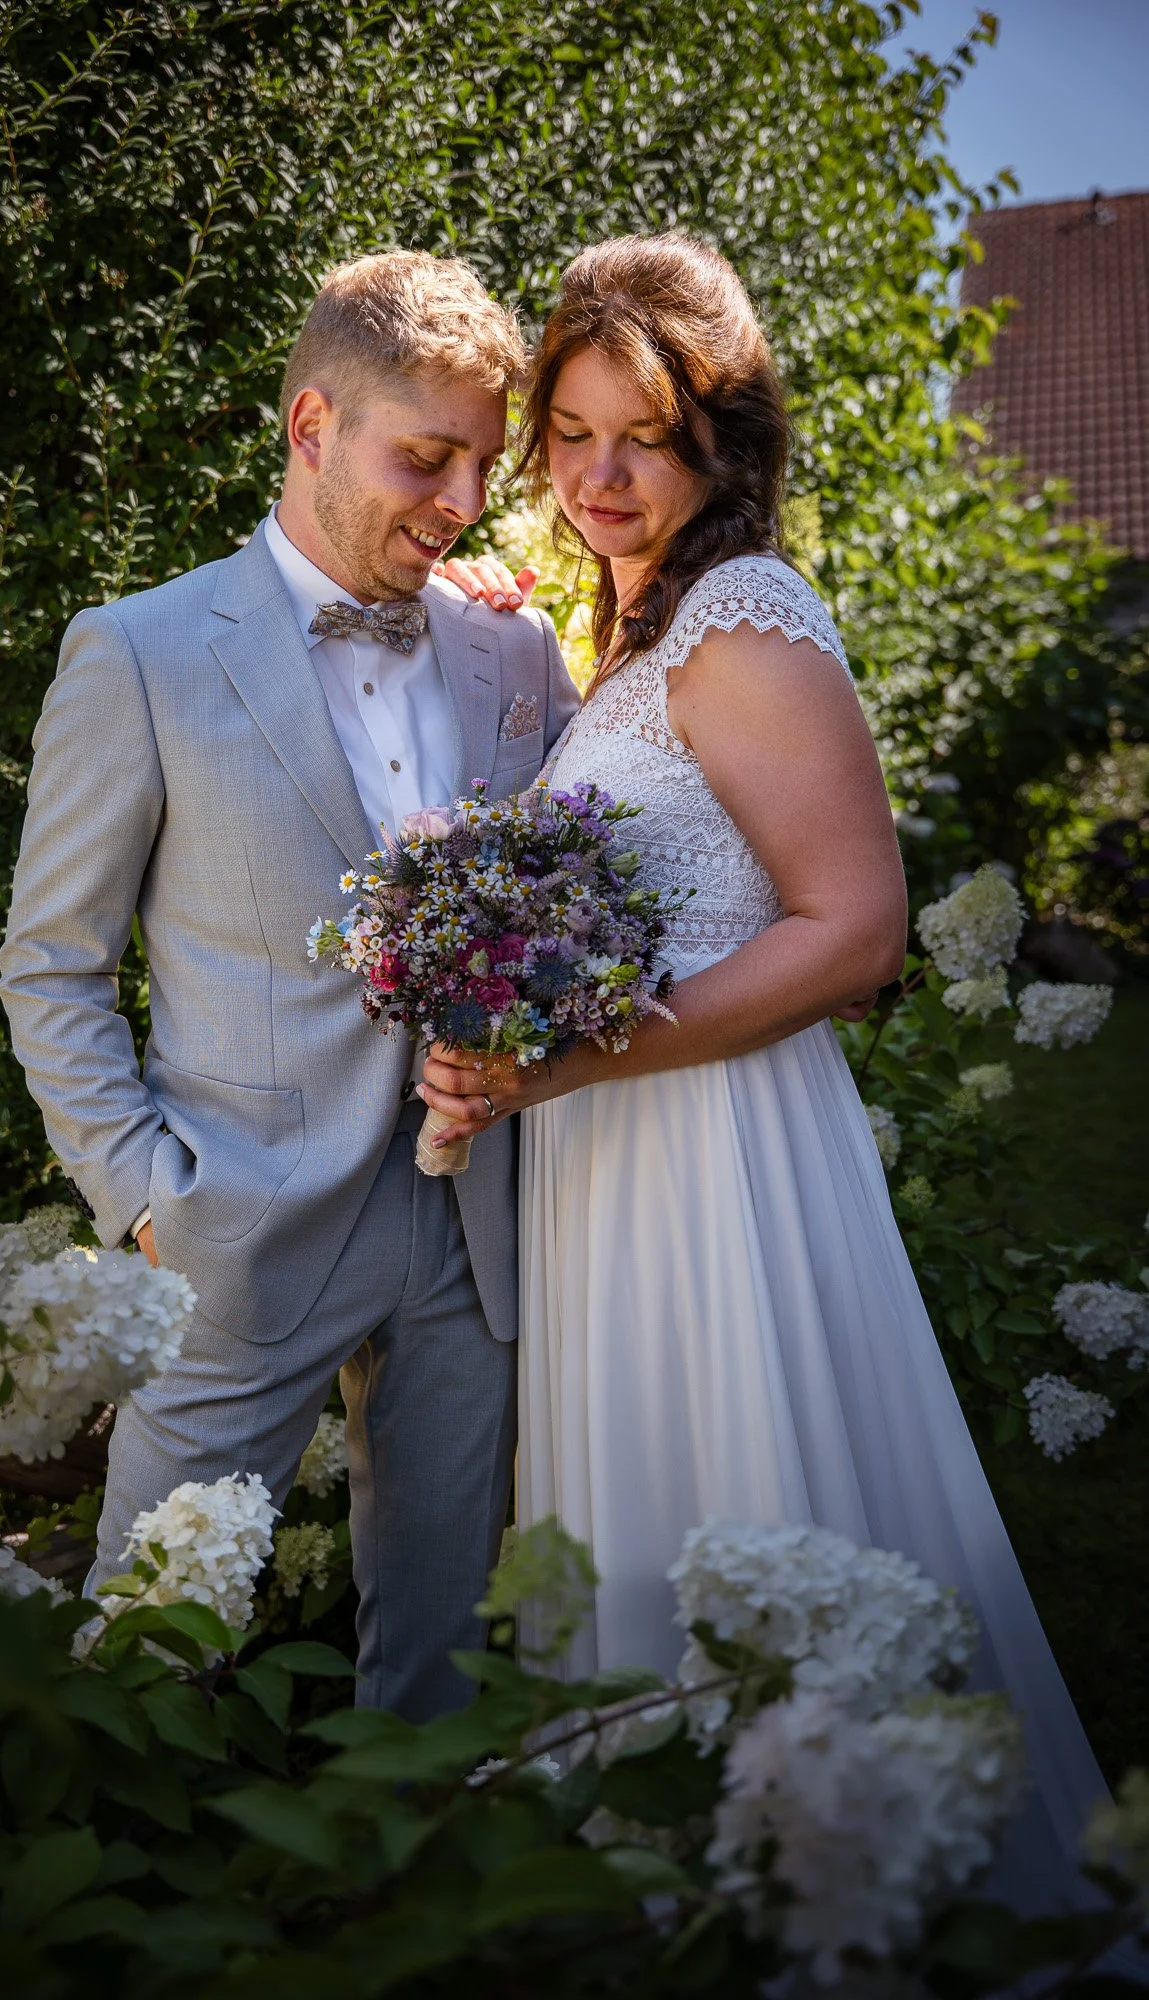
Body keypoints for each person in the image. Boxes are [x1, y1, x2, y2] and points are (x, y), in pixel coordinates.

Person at [422, 233, 1119, 1913]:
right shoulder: (640, 627)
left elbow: (858, 928)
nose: (596, 474)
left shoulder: (740, 619)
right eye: (569, 433)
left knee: (750, 1507)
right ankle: (689, 1891)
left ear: (719, 441)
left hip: (711, 1163)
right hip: (619, 1152)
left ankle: (841, 1893)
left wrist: (578, 1060)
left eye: (640, 438)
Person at [0, 250, 579, 1720]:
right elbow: (51, 963)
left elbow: (582, 869)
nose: (457, 501)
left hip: (476, 1232)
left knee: (442, 1673)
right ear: (313, 427)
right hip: (235, 1233)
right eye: (424, 457)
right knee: (147, 1653)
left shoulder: (513, 643)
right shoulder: (137, 655)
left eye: (480, 466)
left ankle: (413, 1915)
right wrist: (142, 1197)